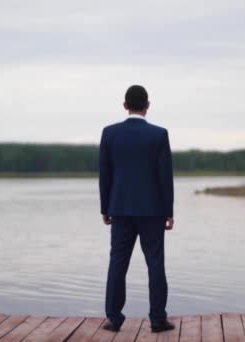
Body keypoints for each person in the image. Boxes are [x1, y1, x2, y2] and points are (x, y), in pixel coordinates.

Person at [98, 84, 175, 333]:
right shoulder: (159, 135)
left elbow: (105, 174)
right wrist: (169, 211)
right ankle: (157, 319)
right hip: (152, 210)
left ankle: (113, 319)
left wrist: (105, 208)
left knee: (118, 263)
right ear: (148, 105)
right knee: (155, 263)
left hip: (119, 208)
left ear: (124, 105)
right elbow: (165, 177)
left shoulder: (109, 134)